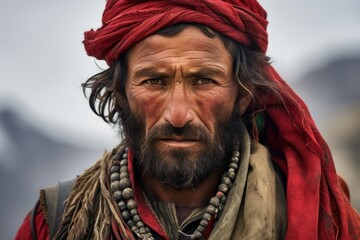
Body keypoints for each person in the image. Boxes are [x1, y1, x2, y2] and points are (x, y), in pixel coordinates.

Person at [16, 0, 360, 239]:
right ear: (120, 92)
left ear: (242, 95)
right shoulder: (60, 220)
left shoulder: (312, 213)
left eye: (204, 80)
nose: (178, 114)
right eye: (154, 81)